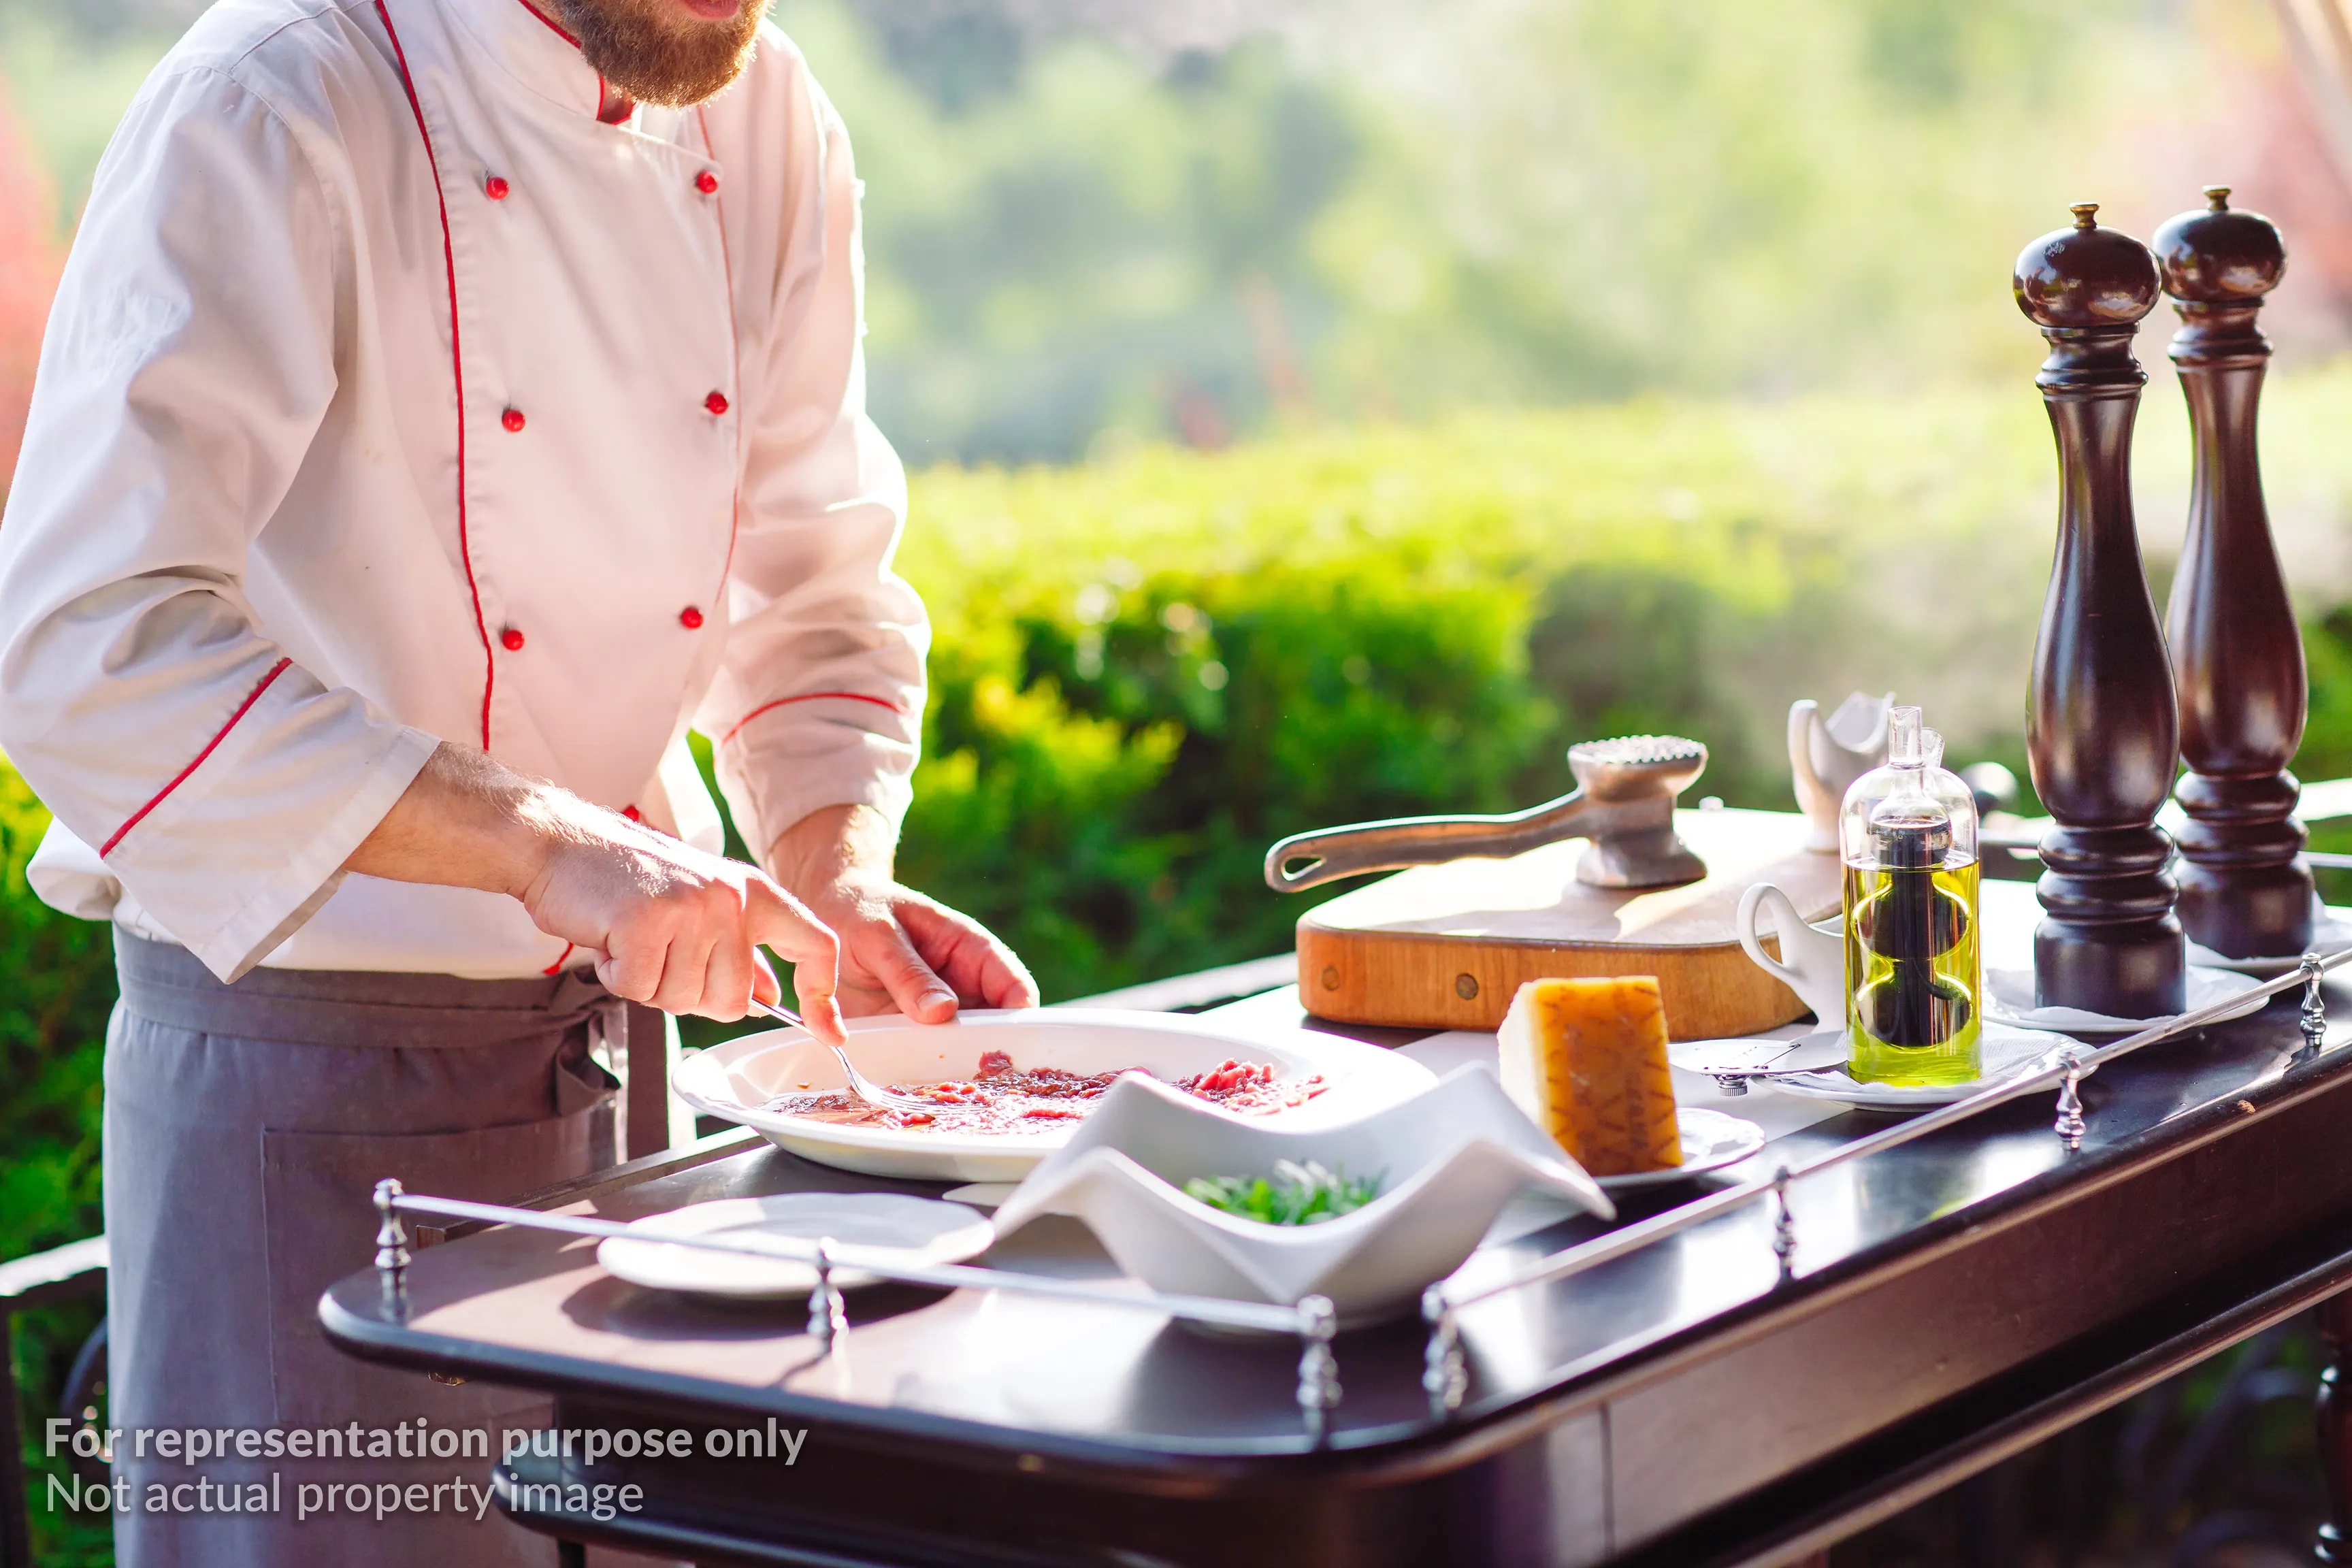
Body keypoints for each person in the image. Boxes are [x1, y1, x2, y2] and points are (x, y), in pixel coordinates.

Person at [0, 0, 1036, 1561]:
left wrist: (833, 873)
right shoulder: (273, 96)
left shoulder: (762, 114)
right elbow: (90, 645)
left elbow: (810, 582)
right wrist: (545, 844)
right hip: (315, 1103)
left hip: (630, 1080)